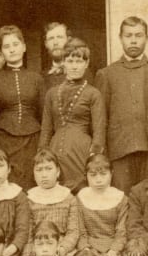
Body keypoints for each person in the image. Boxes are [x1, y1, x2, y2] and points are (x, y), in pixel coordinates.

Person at [94, 16, 148, 194]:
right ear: (120, 38)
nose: (133, 40)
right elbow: (101, 119)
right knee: (122, 198)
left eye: (138, 35)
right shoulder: (107, 74)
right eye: (128, 35)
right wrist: (103, 153)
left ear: (147, 38)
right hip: (119, 150)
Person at [39, 40, 106, 189]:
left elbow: (99, 130)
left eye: (79, 61)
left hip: (81, 152)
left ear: (86, 63)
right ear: (63, 63)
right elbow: (46, 129)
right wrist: (43, 156)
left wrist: (93, 157)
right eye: (70, 61)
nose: (74, 66)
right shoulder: (52, 93)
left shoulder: (93, 93)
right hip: (55, 151)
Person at [0, 26, 44, 189]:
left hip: (32, 139)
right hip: (4, 139)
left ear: (24, 47)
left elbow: (44, 114)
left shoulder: (36, 78)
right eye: (6, 47)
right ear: (1, 52)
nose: (12, 50)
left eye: (15, 44)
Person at [74, 153, 130, 256]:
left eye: (103, 174)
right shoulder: (81, 197)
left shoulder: (121, 198)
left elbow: (121, 230)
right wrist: (85, 248)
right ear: (86, 176)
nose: (98, 180)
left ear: (111, 173)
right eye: (93, 175)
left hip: (112, 248)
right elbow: (80, 229)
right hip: (88, 246)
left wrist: (115, 249)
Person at [25, 149, 81, 256]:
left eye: (49, 169)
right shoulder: (29, 199)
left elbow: (73, 231)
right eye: (39, 170)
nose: (44, 175)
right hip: (38, 247)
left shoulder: (69, 198)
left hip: (62, 247)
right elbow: (29, 234)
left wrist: (63, 248)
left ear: (58, 171)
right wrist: (34, 250)